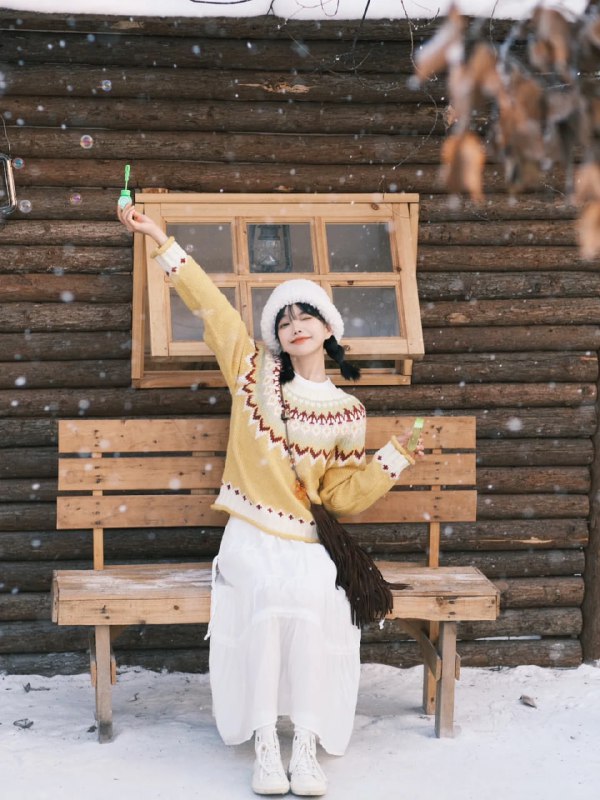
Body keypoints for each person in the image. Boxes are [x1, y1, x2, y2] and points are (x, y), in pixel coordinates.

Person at [117, 203, 424, 797]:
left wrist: (391, 461)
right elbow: (212, 306)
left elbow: (338, 497)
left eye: (307, 315)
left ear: (330, 329)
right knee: (263, 595)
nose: (295, 325)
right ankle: (264, 741)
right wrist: (160, 239)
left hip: (305, 539)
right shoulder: (251, 371)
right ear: (275, 336)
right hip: (251, 531)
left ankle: (304, 743)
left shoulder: (348, 412)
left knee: (314, 598)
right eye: (285, 319)